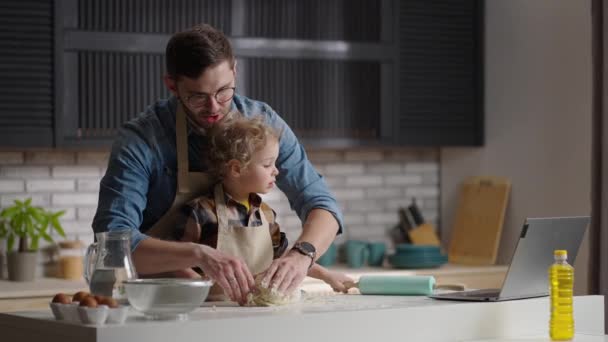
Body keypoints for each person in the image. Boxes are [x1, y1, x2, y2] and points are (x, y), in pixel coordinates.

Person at [92, 23, 344, 304]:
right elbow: (112, 241)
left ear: (235, 71)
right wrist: (197, 254)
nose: (214, 107)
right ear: (171, 85)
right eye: (197, 96)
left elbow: (322, 204)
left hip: (238, 304)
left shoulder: (263, 123)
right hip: (159, 300)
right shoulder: (143, 138)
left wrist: (302, 254)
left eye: (224, 91)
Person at [176, 114, 352, 302]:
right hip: (213, 311)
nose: (276, 170)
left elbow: (285, 258)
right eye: (267, 164)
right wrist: (199, 288)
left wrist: (327, 276)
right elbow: (177, 260)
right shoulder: (202, 212)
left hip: (257, 308)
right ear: (236, 169)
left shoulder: (265, 214)